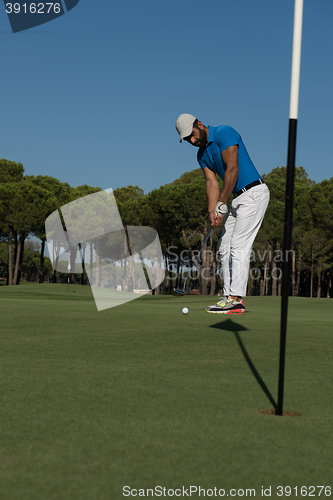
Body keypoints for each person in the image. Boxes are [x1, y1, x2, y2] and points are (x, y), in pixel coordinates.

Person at [175, 114, 270, 314]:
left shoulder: (224, 132)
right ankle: (229, 297)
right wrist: (213, 211)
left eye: (192, 135)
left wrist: (222, 202)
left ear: (199, 124)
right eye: (187, 140)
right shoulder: (201, 155)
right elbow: (211, 182)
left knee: (238, 246)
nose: (192, 141)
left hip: (253, 193)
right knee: (224, 247)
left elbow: (232, 170)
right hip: (236, 198)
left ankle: (237, 299)